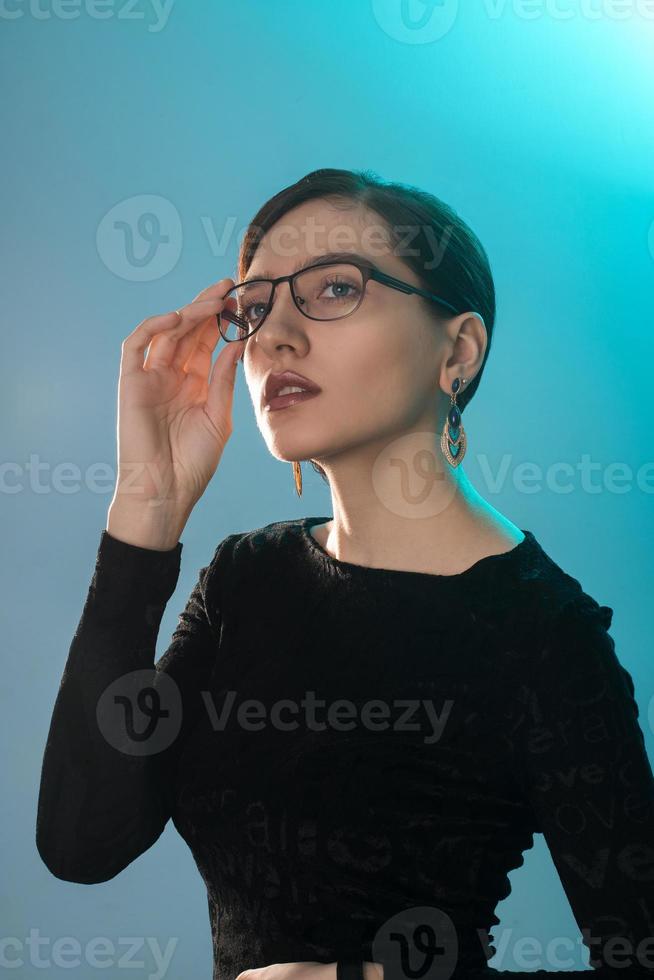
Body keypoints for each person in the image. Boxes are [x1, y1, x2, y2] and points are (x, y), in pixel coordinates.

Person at [36, 168, 654, 980]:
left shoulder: (544, 634)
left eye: (335, 288)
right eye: (254, 307)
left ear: (458, 350)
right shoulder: (246, 578)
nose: (277, 336)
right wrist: (146, 512)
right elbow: (85, 842)